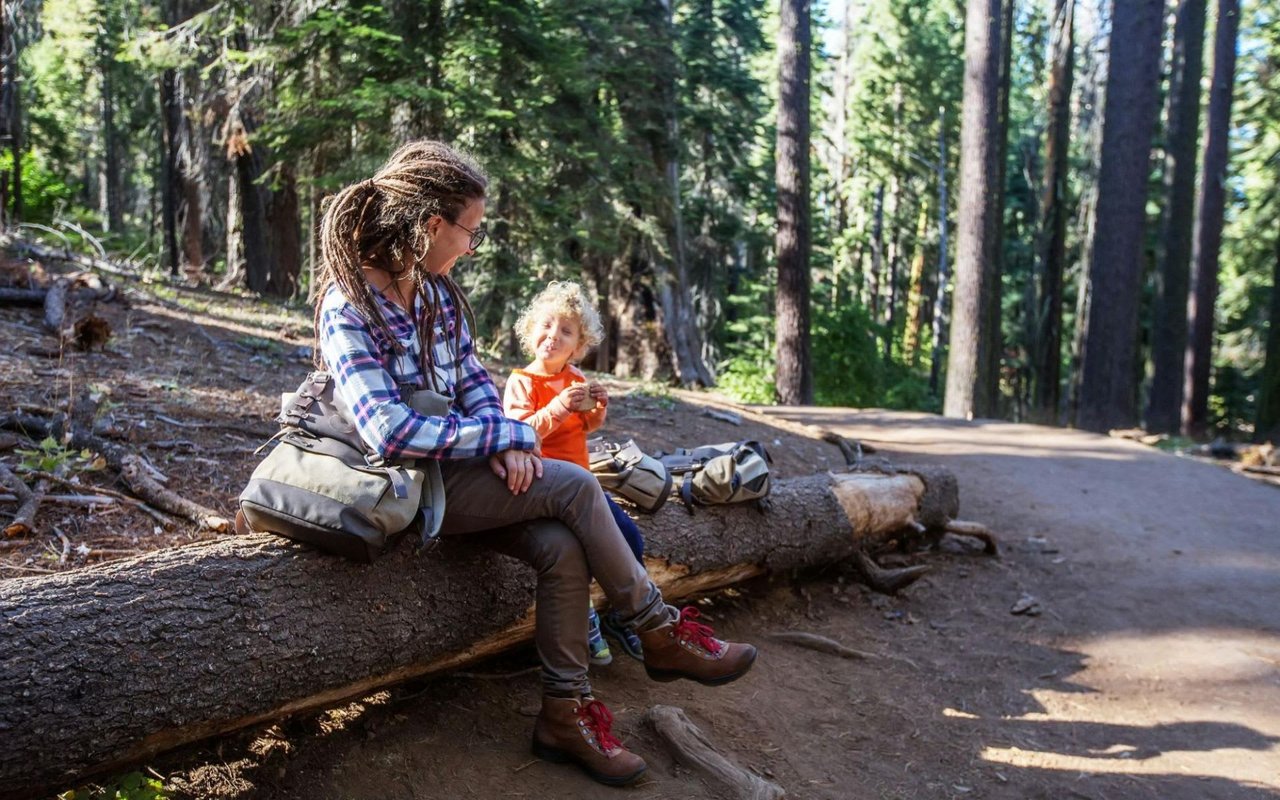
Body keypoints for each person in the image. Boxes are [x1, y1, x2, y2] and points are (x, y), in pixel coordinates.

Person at [312, 140, 757, 787]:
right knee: (576, 486)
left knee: (559, 546)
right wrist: (498, 442)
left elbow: (473, 385)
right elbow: (391, 430)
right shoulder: (347, 304)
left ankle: (564, 715)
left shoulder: (435, 295)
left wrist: (512, 437)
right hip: (398, 490)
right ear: (434, 225)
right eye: (470, 231)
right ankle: (657, 631)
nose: (471, 245)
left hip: (455, 477)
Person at [503, 281, 648, 666]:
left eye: (566, 332)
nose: (553, 336)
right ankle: (586, 622)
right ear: (530, 330)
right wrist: (559, 408)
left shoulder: (575, 379)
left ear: (578, 347)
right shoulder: (522, 382)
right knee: (574, 552)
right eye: (546, 326)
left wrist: (597, 407)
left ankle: (623, 617)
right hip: (543, 485)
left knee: (630, 536)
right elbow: (519, 434)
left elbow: (585, 428)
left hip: (584, 484)